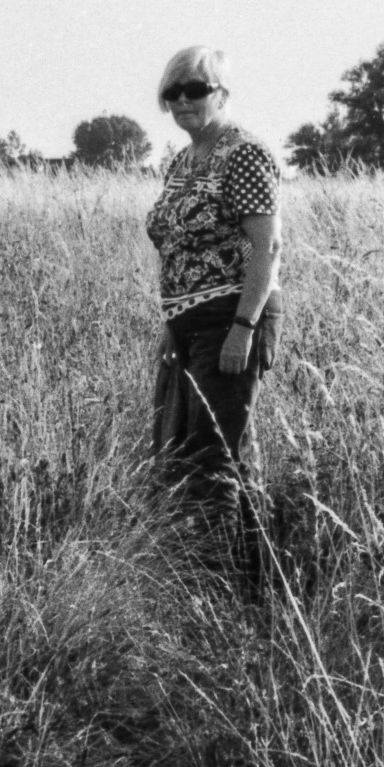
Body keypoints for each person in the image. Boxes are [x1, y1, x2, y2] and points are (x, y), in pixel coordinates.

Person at [145, 45, 284, 550]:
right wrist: (170, 323)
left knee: (212, 456)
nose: (182, 100)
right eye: (172, 92)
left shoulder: (243, 152)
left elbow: (266, 245)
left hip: (230, 318)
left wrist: (244, 329)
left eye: (195, 89)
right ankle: (253, 577)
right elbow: (178, 247)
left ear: (221, 92)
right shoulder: (182, 160)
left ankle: (219, 585)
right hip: (187, 325)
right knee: (193, 451)